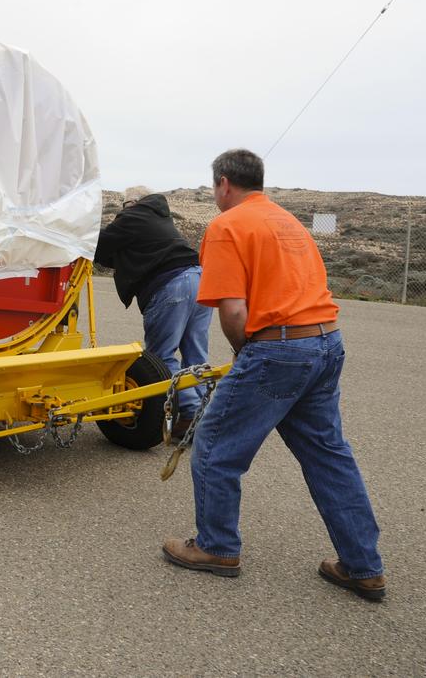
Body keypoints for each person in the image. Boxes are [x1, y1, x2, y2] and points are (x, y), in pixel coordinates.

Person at [162, 149, 385, 601]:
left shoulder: (227, 226)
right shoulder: (289, 222)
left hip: (278, 349)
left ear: (224, 183)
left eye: (213, 186)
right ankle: (363, 566)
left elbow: (233, 310)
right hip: (326, 341)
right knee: (328, 454)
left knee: (214, 446)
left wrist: (250, 354)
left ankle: (216, 547)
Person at [94, 188, 212, 435]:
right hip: (199, 280)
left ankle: (189, 414)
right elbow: (111, 254)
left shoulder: (136, 214)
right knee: (196, 354)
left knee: (161, 356)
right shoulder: (159, 217)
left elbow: (101, 242)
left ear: (133, 203)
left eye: (123, 206)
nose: (122, 212)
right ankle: (204, 415)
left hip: (171, 285)